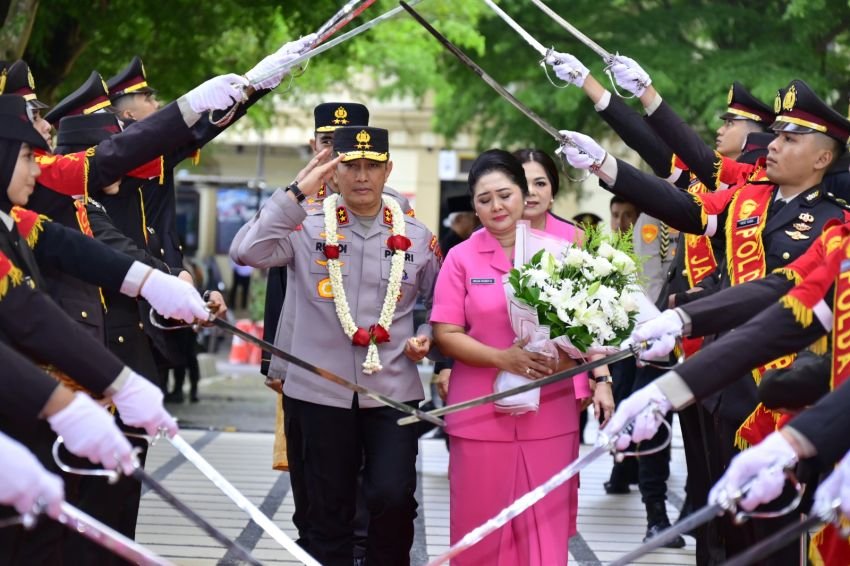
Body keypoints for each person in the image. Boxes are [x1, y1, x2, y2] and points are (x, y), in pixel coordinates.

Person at [565, 78, 850, 564]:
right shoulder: (754, 201)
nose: (772, 146)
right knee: (716, 523)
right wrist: (605, 164)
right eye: (774, 136)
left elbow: (782, 303)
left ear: (823, 159)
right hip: (723, 377)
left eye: (788, 139)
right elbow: (775, 290)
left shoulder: (831, 219)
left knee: (773, 539)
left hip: (785, 393)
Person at [231, 126, 440, 566]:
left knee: (393, 495)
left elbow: (443, 305)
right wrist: (294, 193)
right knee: (327, 511)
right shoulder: (304, 225)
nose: (361, 176)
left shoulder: (418, 236)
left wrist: (430, 340)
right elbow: (247, 252)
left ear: (388, 170)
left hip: (391, 391)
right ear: (335, 170)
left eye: (371, 166)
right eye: (350, 166)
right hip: (318, 391)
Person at [430, 149, 607, 565]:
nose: (496, 206)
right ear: (473, 204)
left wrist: (574, 362)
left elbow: (593, 325)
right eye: (484, 199)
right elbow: (446, 333)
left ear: (523, 194)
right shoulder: (461, 257)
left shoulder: (564, 252)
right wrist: (500, 359)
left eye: (505, 195)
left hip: (551, 408)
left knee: (543, 529)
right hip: (479, 413)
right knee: (480, 530)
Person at [513, 147, 614, 538]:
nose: (532, 192)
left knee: (552, 477)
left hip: (560, 378)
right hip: (500, 372)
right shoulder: (489, 237)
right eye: (523, 183)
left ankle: (547, 546)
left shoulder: (574, 239)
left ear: (553, 192)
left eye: (541, 183)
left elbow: (597, 315)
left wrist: (600, 376)